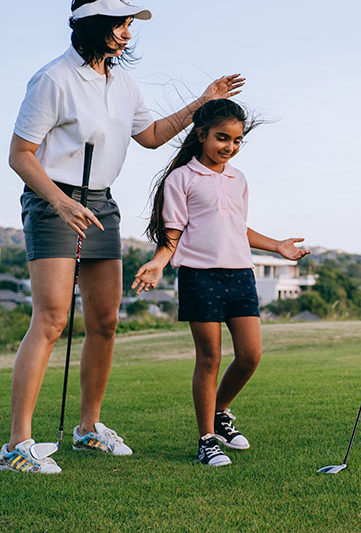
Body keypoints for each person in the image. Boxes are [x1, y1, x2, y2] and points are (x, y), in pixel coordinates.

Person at [0, 0, 245, 474]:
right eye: (120, 23)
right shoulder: (53, 79)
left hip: (102, 206)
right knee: (51, 320)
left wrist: (202, 102)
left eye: (130, 23)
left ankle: (88, 429)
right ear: (93, 25)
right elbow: (20, 156)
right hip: (54, 203)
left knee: (106, 323)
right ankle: (16, 447)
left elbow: (152, 137)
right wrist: (61, 203)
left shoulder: (122, 83)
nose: (128, 32)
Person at [131, 99, 309, 467]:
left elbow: (234, 226)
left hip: (240, 275)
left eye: (237, 140)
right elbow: (173, 232)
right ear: (202, 135)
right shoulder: (181, 179)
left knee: (250, 356)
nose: (229, 146)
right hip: (200, 277)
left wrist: (276, 246)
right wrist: (158, 262)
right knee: (209, 358)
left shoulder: (238, 179)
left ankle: (220, 411)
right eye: (222, 138)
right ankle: (206, 440)